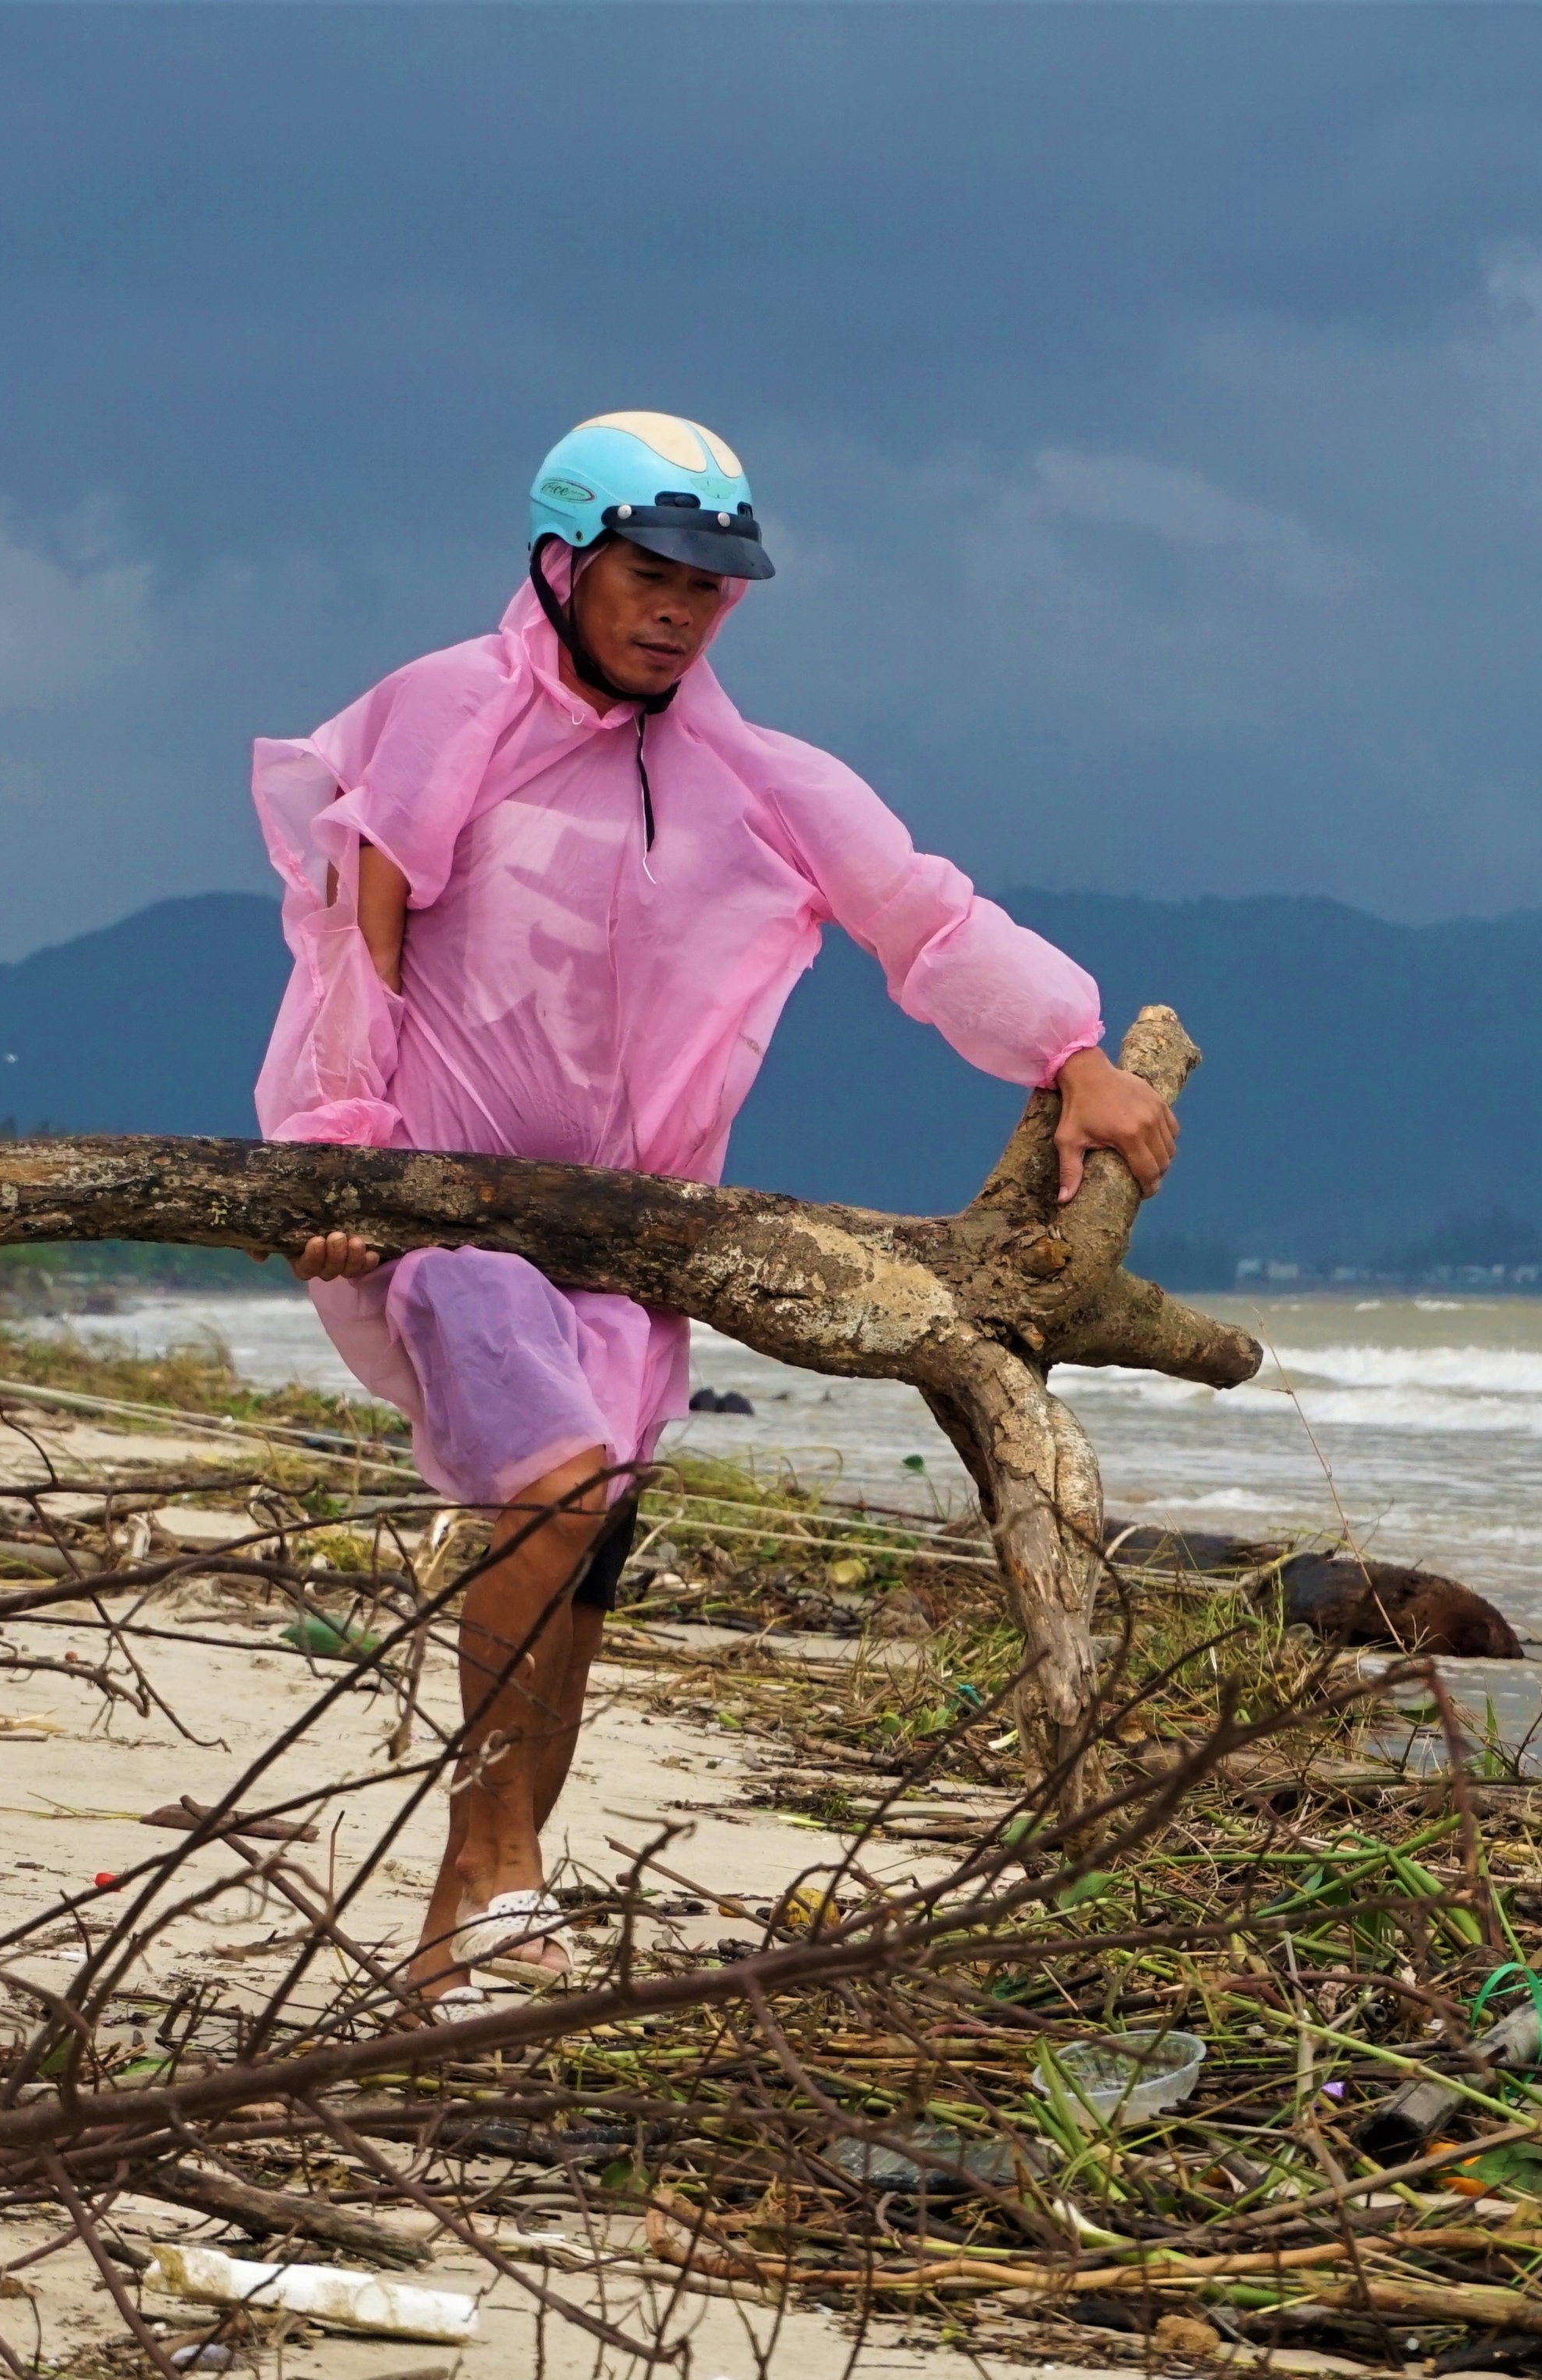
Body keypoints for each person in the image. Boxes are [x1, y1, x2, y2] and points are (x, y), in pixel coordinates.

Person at [250, 411, 1179, 2011]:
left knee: (584, 1540)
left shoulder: (753, 776)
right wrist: (345, 1165)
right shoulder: (448, 711)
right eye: (650, 570)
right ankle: (496, 1880)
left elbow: (923, 916)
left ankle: (455, 1943)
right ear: (565, 563)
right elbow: (357, 938)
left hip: (635, 1244)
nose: (683, 605)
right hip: (437, 1206)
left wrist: (1074, 1053)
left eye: (712, 581)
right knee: (549, 1481)